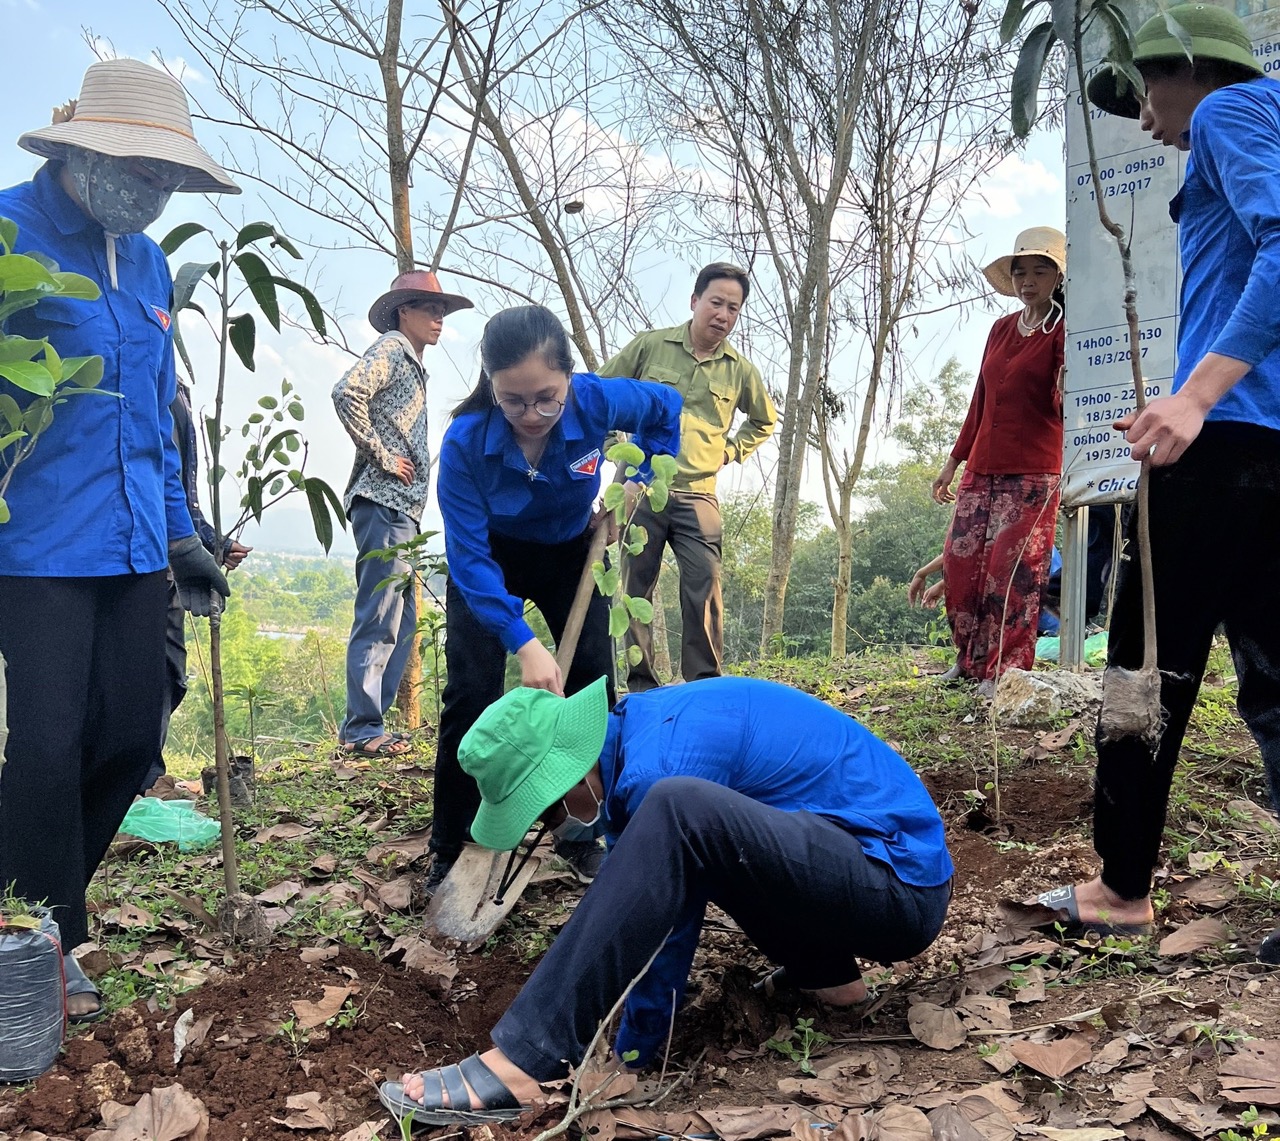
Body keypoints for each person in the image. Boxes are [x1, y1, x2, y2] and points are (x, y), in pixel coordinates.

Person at [379, 676, 954, 1126]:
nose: (555, 825)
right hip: (846, 872)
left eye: (548, 808)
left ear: (569, 770)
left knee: (681, 809)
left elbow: (665, 930)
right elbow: (664, 893)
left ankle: (522, 1062)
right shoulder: (641, 737)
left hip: (896, 885)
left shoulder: (662, 767)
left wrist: (632, 1055)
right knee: (700, 827)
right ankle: (829, 979)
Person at [1035, 4, 1280, 962]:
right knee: (1272, 680)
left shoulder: (1231, 112)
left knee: (1145, 665)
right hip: (1265, 451)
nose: (1145, 120)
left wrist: (1192, 400)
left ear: (1191, 67)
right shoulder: (1248, 130)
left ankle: (1122, 887)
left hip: (1220, 452)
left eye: (1146, 92)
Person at [0, 59, 237, 1021]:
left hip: (137, 542)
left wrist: (182, 534)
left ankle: (29, 884)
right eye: (138, 170)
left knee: (134, 733)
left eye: (166, 179)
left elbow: (152, 416)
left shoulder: (147, 264)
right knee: (48, 746)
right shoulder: (8, 232)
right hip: (35, 544)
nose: (151, 192)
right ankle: (53, 932)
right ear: (81, 149)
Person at [427, 305, 683, 891]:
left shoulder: (595, 401)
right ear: (490, 386)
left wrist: (634, 486)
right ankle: (452, 845)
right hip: (493, 558)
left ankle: (582, 831)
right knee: (469, 694)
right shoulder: (466, 442)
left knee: (593, 686)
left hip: (573, 552)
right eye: (513, 401)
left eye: (547, 397)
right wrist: (523, 643)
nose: (532, 415)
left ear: (569, 377)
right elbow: (468, 558)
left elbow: (665, 411)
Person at [600, 263, 777, 690]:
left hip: (698, 493)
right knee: (632, 589)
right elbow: (596, 393)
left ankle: (705, 685)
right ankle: (642, 686)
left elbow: (764, 421)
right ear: (695, 301)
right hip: (638, 488)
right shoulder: (650, 346)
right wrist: (611, 448)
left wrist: (731, 451)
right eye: (716, 303)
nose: (723, 315)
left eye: (733, 309)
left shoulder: (739, 370)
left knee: (704, 585)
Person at [333, 271, 473, 758]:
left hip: (402, 510)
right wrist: (382, 454)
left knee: (405, 618)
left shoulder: (412, 361)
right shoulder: (392, 347)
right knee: (380, 615)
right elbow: (346, 392)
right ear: (402, 312)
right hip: (383, 500)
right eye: (429, 308)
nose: (438, 319)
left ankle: (374, 725)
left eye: (442, 311)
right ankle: (362, 729)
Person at [932, 228, 1065, 692]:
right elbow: (980, 399)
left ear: (1058, 277)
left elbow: (1063, 404)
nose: (1028, 280)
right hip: (981, 468)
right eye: (1021, 271)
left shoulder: (1066, 330)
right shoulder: (1001, 329)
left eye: (1040, 270)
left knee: (1013, 575)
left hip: (1033, 471)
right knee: (961, 567)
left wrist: (1066, 384)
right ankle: (968, 660)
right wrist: (954, 460)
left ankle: (1004, 672)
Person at [140, 380, 252, 792]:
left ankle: (147, 778)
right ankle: (139, 779)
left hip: (167, 559)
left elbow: (180, 491)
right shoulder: (138, 376)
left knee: (168, 672)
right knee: (144, 672)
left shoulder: (175, 386)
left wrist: (208, 543)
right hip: (136, 556)